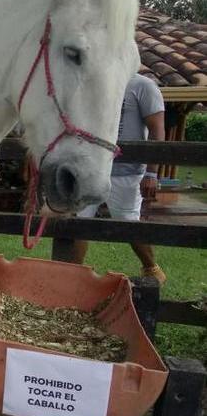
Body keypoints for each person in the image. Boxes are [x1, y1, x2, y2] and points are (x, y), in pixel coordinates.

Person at [71, 73, 167, 284]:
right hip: (91, 168)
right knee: (79, 221)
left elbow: (157, 128)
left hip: (127, 171)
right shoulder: (92, 81)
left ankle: (152, 269)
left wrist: (151, 173)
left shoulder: (142, 86)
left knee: (128, 224)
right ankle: (73, 275)